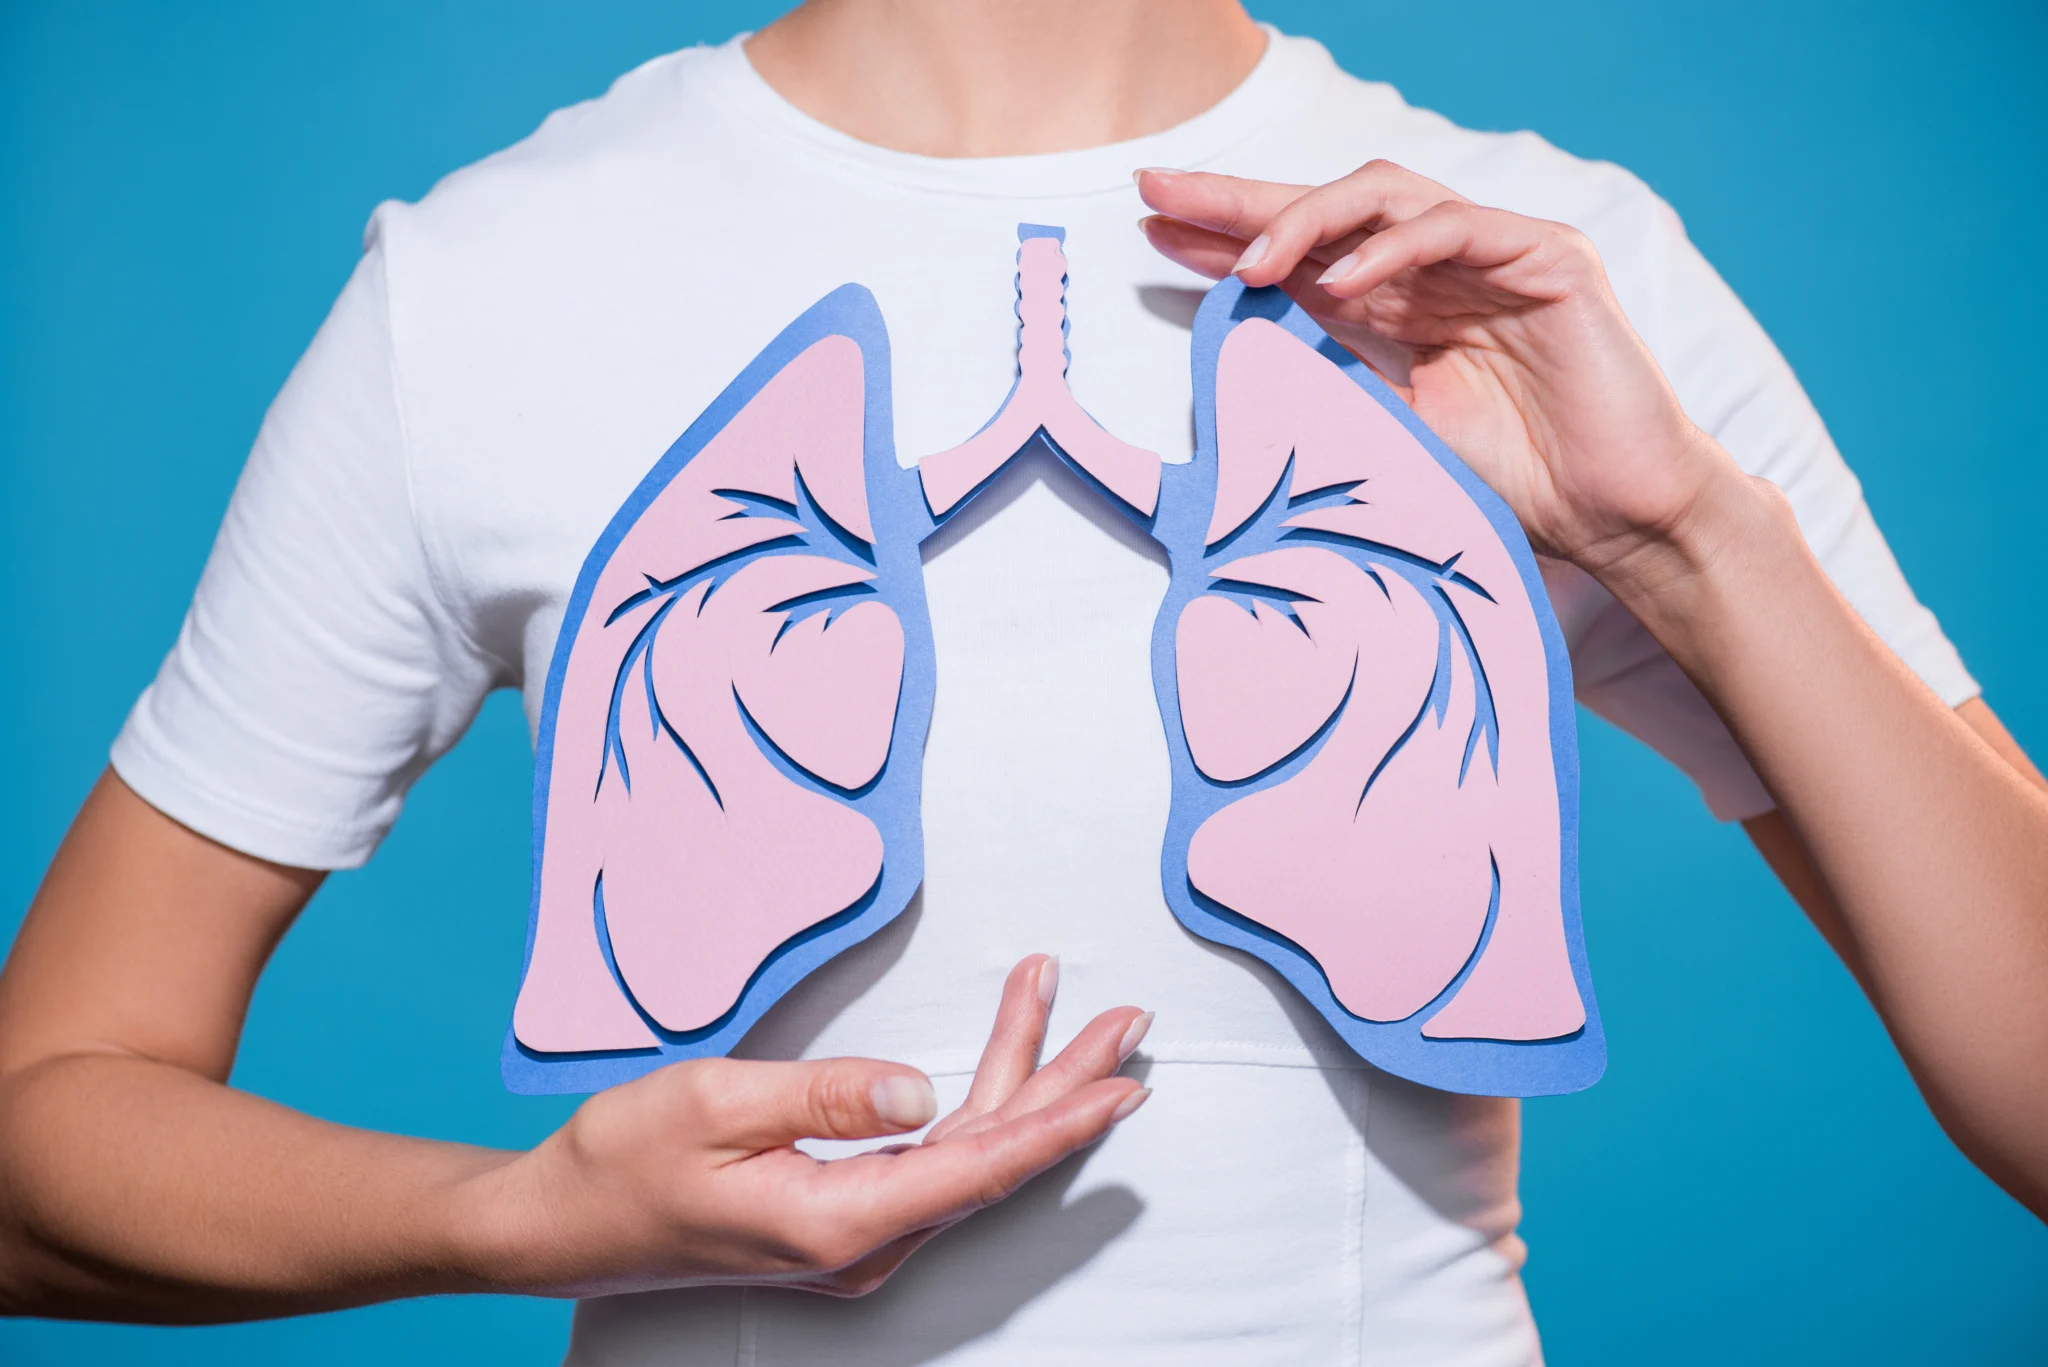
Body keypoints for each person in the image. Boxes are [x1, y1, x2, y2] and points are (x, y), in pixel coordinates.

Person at [1, 0, 2042, 1360]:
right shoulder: (487, 287)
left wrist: (1680, 537)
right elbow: (38, 1141)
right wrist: (521, 1213)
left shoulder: (1540, 273)